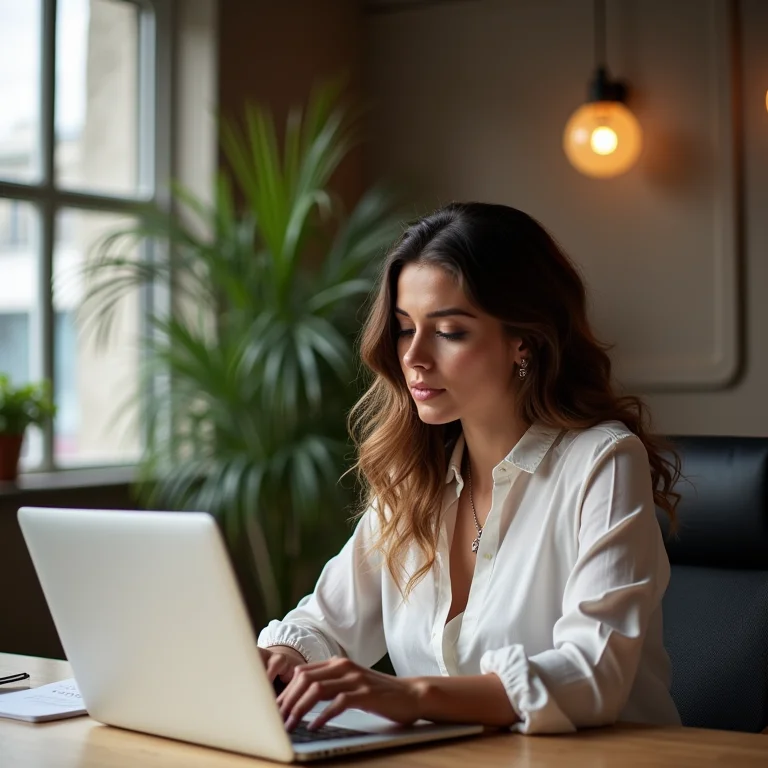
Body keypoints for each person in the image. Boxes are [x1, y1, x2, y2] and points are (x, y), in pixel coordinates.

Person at [257, 202, 682, 735]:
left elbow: (594, 672)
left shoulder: (603, 461)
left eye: (449, 331)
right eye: (404, 328)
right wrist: (284, 659)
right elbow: (323, 624)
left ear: (522, 340)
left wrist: (409, 695)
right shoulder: (413, 478)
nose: (414, 357)